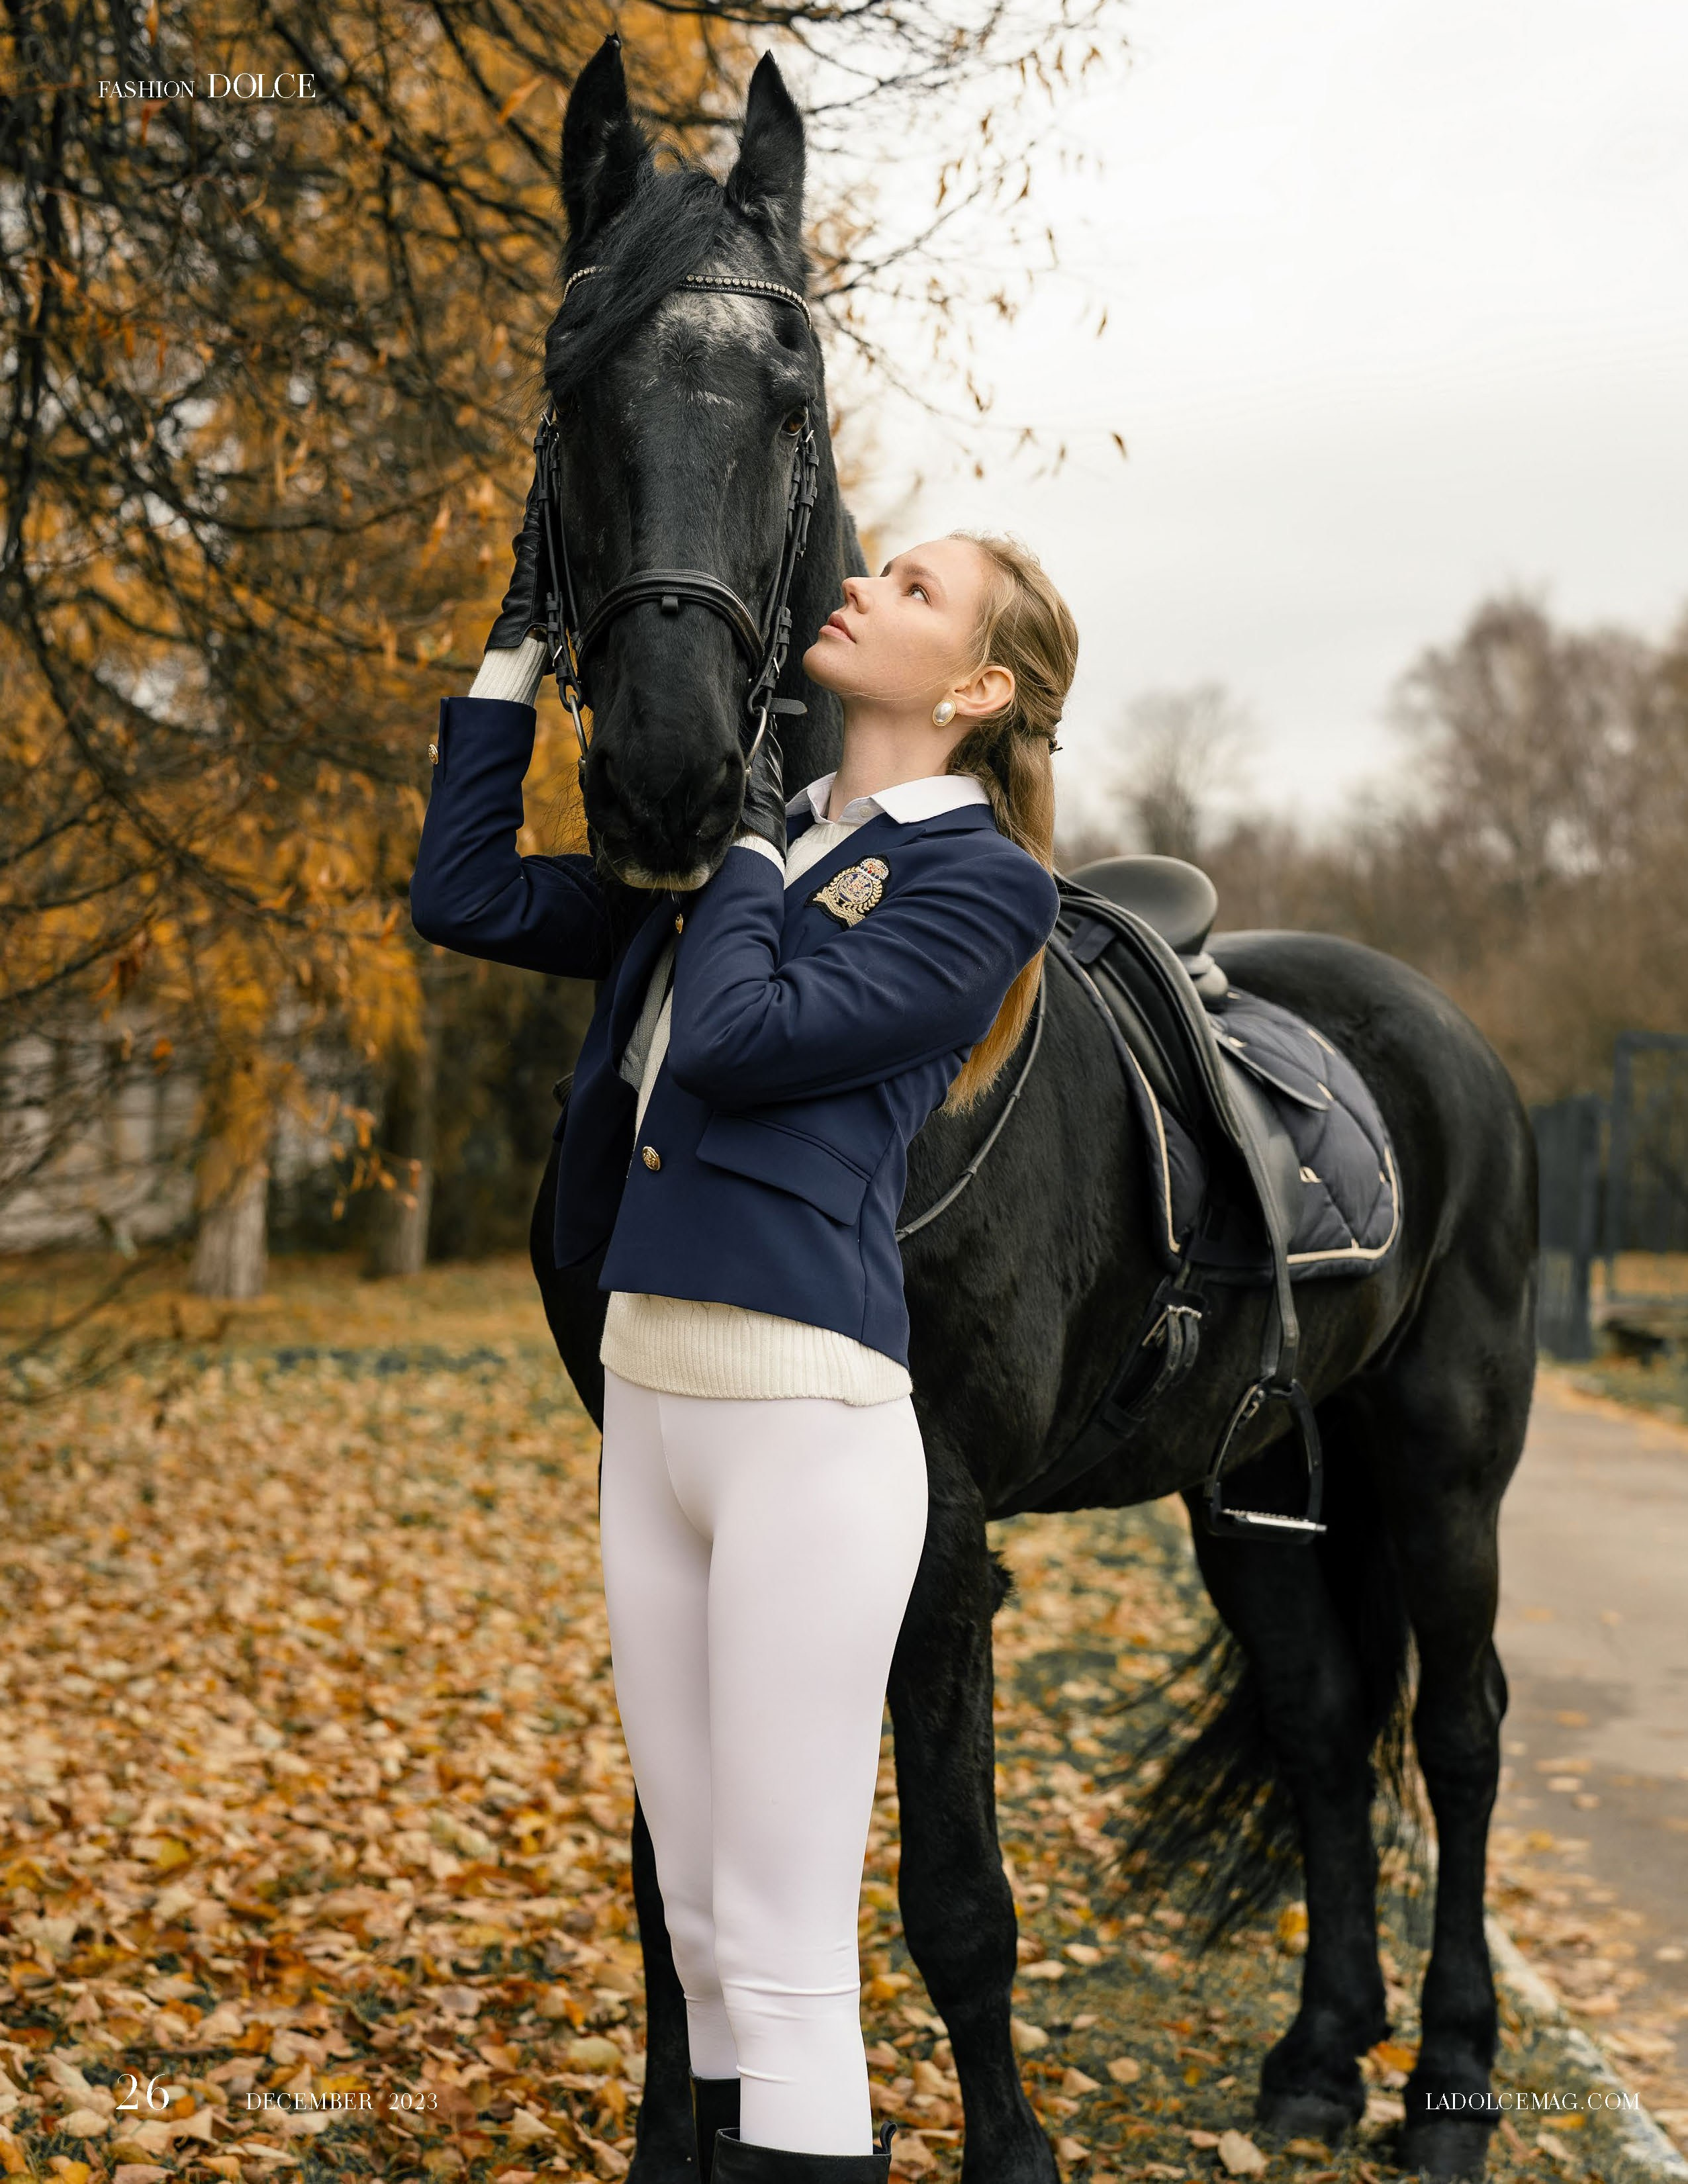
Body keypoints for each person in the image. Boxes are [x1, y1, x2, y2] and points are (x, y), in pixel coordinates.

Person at [410, 467, 1074, 2184]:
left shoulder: (979, 883)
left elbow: (738, 1039)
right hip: (650, 1407)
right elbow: (462, 894)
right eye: (879, 566)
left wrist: (752, 834)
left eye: (915, 588)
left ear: (979, 685)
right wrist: (514, 652)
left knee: (780, 1961)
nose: (862, 581)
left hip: (802, 1426)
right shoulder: (743, 850)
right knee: (701, 1930)